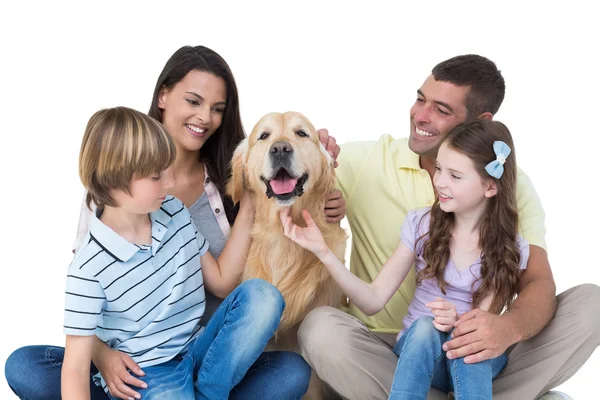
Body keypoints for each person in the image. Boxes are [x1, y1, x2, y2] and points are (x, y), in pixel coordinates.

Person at [5, 45, 343, 400]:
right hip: (137, 363)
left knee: (291, 372)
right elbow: (85, 311)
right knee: (25, 365)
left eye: (217, 109)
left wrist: (320, 186)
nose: (205, 118)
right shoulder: (101, 213)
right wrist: (103, 357)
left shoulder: (224, 179)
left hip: (207, 352)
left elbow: (226, 280)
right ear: (163, 95)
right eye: (194, 101)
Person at [298, 54, 600, 399]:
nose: (420, 116)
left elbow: (537, 284)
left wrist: (503, 328)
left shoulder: (511, 189)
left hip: (473, 349)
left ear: (480, 122)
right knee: (322, 330)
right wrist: (312, 152)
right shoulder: (369, 163)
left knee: (591, 304)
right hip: (385, 347)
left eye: (441, 110)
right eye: (419, 99)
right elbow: (292, 184)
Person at [61, 105, 304, 400]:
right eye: (156, 177)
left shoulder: (174, 211)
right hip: (147, 372)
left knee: (268, 306)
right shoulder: (87, 269)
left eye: (168, 170)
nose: (171, 183)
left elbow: (218, 279)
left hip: (199, 350)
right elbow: (74, 368)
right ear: (114, 181)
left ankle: (208, 393)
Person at [284, 119, 526, 400]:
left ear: (490, 187)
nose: (440, 182)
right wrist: (323, 251)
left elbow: (485, 326)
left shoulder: (511, 246)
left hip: (471, 358)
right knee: (425, 327)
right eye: (439, 169)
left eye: (455, 176)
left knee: (470, 344)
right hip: (419, 353)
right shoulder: (421, 224)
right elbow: (372, 300)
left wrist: (459, 322)